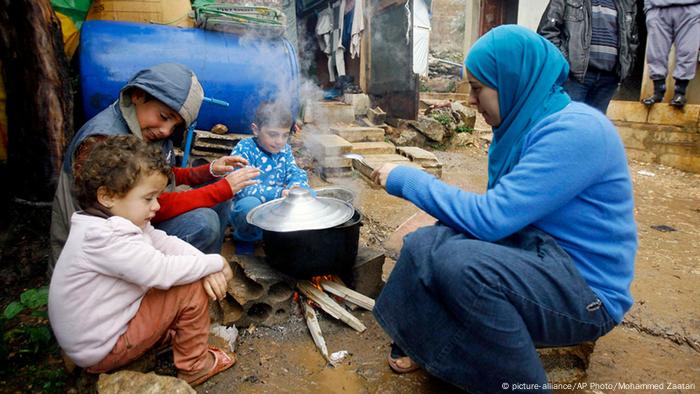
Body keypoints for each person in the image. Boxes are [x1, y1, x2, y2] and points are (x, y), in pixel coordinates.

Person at [370, 25, 637, 393]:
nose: (472, 101)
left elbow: (491, 219)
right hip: (536, 255)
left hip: (584, 290)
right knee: (424, 242)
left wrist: (409, 180)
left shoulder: (577, 131)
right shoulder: (524, 125)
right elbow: (499, 218)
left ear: (513, 79)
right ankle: (425, 341)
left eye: (479, 89)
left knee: (460, 264)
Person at [49, 136, 235, 386]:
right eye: (148, 198)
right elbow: (162, 271)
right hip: (103, 347)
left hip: (95, 335)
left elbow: (163, 241)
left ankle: (161, 337)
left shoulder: (106, 221)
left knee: (187, 273)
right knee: (189, 287)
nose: (156, 206)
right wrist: (215, 263)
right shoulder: (105, 238)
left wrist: (205, 261)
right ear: (107, 196)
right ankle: (195, 366)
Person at [49, 63, 260, 274]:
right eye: (164, 117)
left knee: (218, 191)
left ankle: (205, 274)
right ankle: (184, 282)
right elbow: (148, 204)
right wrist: (222, 188)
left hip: (137, 221)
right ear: (138, 95)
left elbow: (161, 177)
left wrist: (209, 170)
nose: (166, 131)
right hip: (102, 251)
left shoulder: (142, 127)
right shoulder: (103, 140)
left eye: (175, 126)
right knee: (204, 222)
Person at [227, 101, 311, 253]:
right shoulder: (245, 149)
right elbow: (242, 187)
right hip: (250, 206)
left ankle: (287, 236)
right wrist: (279, 193)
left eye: (285, 135)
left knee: (309, 195)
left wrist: (297, 186)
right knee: (248, 205)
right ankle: (246, 239)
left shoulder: (284, 149)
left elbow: (295, 171)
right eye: (273, 134)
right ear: (256, 130)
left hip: (277, 205)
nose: (279, 141)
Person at [538, 0, 639, 113]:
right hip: (574, 78)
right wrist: (566, 63)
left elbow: (632, 39)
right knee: (569, 123)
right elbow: (547, 32)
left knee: (594, 127)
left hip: (608, 80)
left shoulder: (626, 2)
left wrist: (626, 66)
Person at [641, 0, 700, 108]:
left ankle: (680, 92)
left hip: (691, 7)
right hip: (657, 6)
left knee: (688, 50)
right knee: (656, 51)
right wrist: (649, 8)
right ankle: (658, 91)